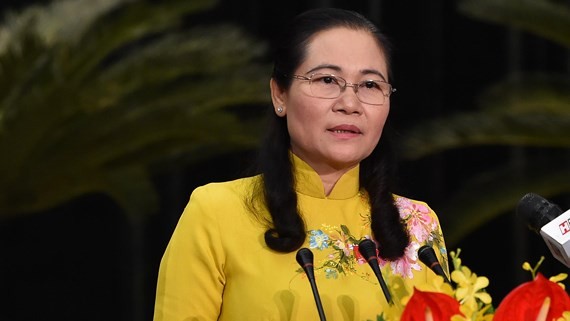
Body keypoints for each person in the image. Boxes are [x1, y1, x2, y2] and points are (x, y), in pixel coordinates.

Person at [153, 7, 449, 321]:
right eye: (326, 80)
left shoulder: (416, 224)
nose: (350, 104)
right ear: (279, 94)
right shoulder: (216, 213)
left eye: (370, 85)